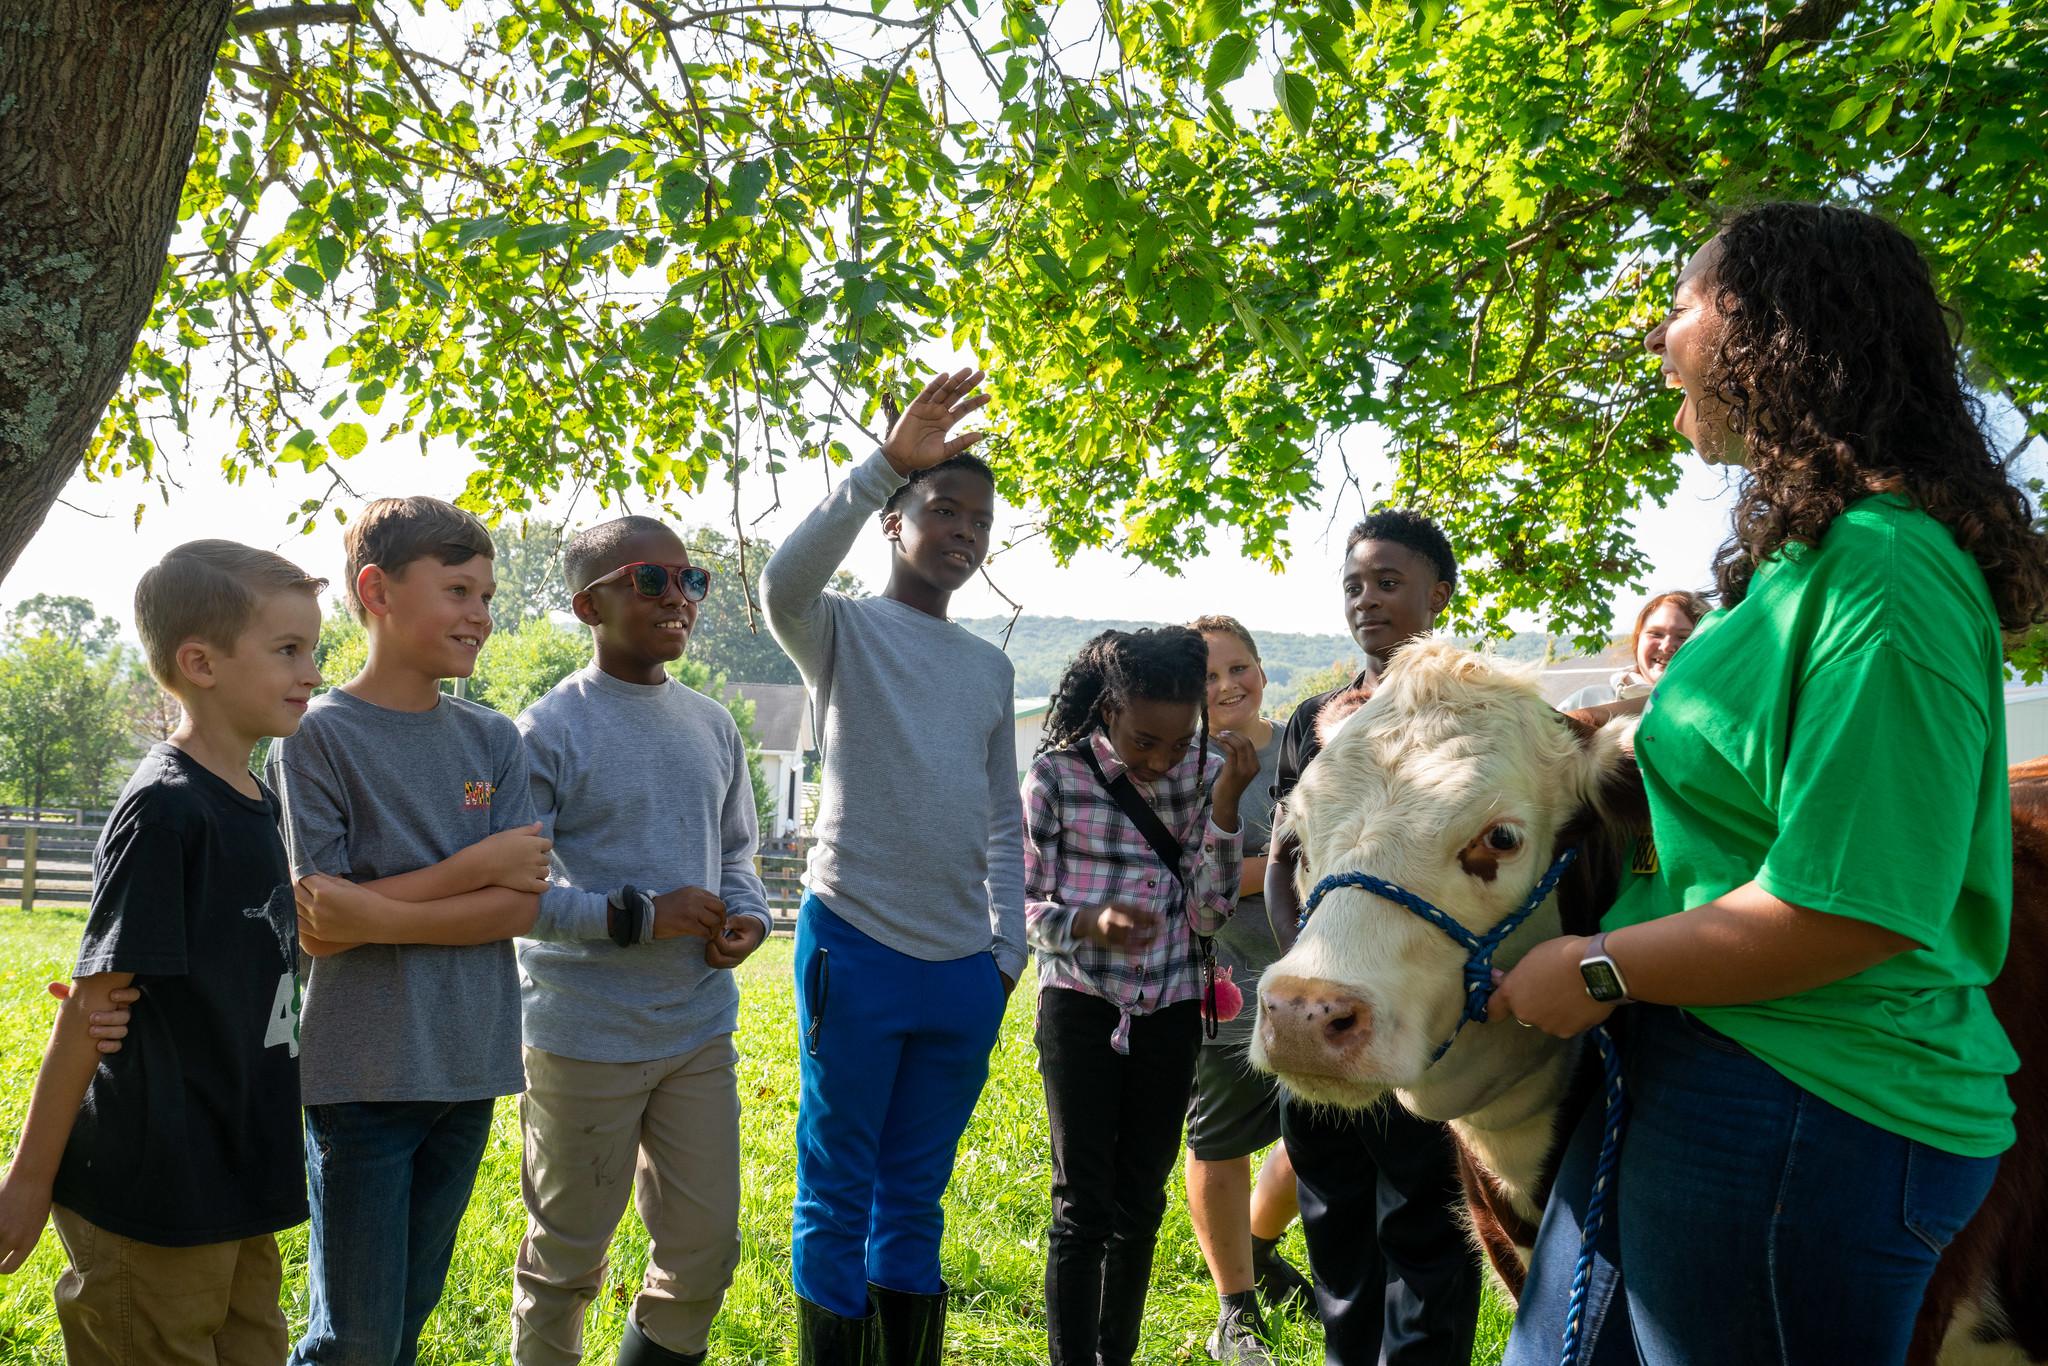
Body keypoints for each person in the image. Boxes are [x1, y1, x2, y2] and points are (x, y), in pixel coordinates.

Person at [1495, 202, 2047, 1365]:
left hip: (1809, 1107)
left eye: (1683, 302)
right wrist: (1609, 733)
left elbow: (1851, 903)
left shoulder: (1888, 577)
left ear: (1769, 331)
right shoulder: (1809, 562)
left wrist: (1592, 966)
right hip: (1699, 1068)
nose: (1658, 337)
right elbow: (1748, 764)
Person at [269, 496, 577, 1366]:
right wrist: (471, 870)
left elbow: (518, 909)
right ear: (377, 591)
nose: (480, 615)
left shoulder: (493, 741)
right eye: (457, 591)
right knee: (353, 1338)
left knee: (404, 1322)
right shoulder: (313, 736)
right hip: (361, 1075)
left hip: (470, 1066)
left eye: (486, 595)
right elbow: (322, 926)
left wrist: (378, 910)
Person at [0, 541, 323, 1362]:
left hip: (237, 1170)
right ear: (200, 663)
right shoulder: (167, 811)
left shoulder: (259, 796)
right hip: (154, 1181)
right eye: (289, 650)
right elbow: (92, 1011)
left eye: (313, 649)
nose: (312, 671)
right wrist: (29, 1180)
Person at [761, 368, 1025, 1365]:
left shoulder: (989, 667)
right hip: (855, 946)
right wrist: (882, 465)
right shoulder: (838, 631)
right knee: (835, 1189)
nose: (962, 530)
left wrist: (1004, 953)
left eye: (978, 519)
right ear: (892, 520)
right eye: (941, 507)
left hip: (963, 970)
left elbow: (1003, 819)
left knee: (914, 1193)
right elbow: (782, 579)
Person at [509, 516, 774, 1366]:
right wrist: (634, 916)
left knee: (705, 1251)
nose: (679, 600)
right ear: (591, 604)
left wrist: (749, 916)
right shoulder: (544, 729)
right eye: (650, 581)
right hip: (584, 1033)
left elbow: (738, 852)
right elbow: (517, 894)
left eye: (690, 580)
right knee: (566, 1261)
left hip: (697, 1027)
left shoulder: (712, 724)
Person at [1263, 510, 1482, 1366]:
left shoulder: (1474, 721)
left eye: (1389, 583)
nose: (1367, 601)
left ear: (1440, 594)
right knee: (1334, 1212)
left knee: (1425, 1224)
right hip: (1313, 1005)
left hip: (1416, 1013)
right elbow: (1286, 861)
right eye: (1354, 584)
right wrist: (1302, 963)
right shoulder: (1311, 722)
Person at [1023, 626, 1260, 1366]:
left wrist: (1225, 806)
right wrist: (1085, 923)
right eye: (1141, 741)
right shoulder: (1057, 777)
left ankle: (1115, 1353)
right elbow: (1019, 908)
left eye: (1176, 740)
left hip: (1173, 1009)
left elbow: (1211, 912)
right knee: (1082, 1207)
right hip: (1082, 1007)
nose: (1159, 761)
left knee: (1141, 1206)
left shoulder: (1208, 768)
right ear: (1107, 708)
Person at [1181, 615, 1315, 1364]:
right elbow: (1193, 877)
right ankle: (1236, 1305)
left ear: (1263, 671)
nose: (1228, 685)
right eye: (1207, 675)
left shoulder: (1303, 748)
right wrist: (1287, 863)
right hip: (1222, 980)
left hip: (1313, 971)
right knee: (1221, 1138)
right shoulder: (1180, 765)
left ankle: (1260, 1245)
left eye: (1240, 668)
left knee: (1317, 1128)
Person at [1557, 591, 1711, 710]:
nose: (1667, 646)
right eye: (1656, 633)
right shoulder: (1586, 702)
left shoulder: (1718, 714)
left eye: (1684, 637)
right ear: (1638, 640)